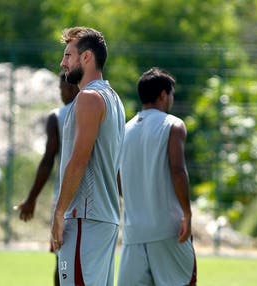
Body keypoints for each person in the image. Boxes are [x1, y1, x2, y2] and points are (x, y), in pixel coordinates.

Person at [51, 27, 126, 286]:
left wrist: (59, 213)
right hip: (102, 219)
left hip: (85, 218)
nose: (63, 62)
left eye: (68, 55)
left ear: (86, 58)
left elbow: (80, 160)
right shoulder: (113, 98)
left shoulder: (89, 98)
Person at [117, 67, 197, 286]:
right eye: (171, 94)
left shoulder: (124, 130)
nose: (171, 98)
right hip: (169, 231)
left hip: (134, 235)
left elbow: (118, 181)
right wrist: (187, 214)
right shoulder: (173, 125)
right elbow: (178, 171)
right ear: (163, 95)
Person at [17, 72, 79, 286]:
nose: (60, 93)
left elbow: (47, 161)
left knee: (62, 262)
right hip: (96, 202)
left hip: (65, 200)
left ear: (70, 88)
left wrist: (32, 198)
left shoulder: (58, 116)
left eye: (61, 88)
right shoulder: (101, 110)